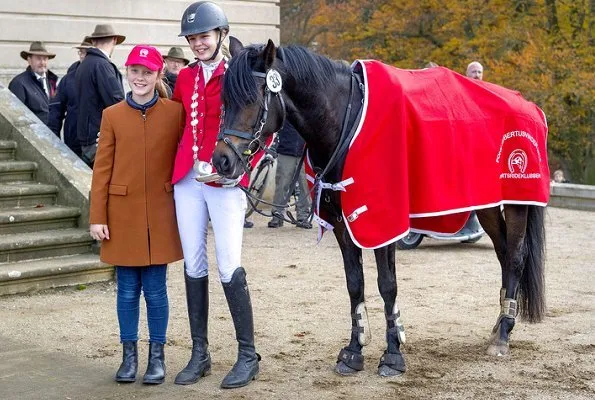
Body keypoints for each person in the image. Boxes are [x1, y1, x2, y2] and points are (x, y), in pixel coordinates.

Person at [172, 1, 260, 389]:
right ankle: (199, 354)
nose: (197, 43)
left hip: (224, 182)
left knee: (228, 264)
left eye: (203, 36)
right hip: (188, 179)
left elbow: (261, 122)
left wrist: (243, 166)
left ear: (220, 35)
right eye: (192, 38)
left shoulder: (237, 73)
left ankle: (247, 354)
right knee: (193, 263)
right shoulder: (185, 78)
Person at [89, 45, 184, 385]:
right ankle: (129, 357)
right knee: (126, 291)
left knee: (156, 290)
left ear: (159, 75)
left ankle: (156, 358)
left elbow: (186, 157)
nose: (140, 78)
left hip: (160, 213)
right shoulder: (112, 115)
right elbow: (102, 170)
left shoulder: (175, 113)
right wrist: (97, 216)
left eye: (147, 72)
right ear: (126, 74)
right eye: (134, 71)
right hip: (121, 214)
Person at [76, 24, 126, 167]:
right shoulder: (101, 65)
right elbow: (116, 102)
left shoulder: (85, 64)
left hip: (88, 136)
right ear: (115, 40)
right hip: (99, 138)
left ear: (93, 41)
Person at [47, 38, 93, 157]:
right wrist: (54, 143)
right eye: (81, 52)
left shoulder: (104, 75)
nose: (83, 56)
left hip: (97, 143)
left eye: (87, 53)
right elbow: (55, 112)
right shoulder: (68, 80)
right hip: (73, 142)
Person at [268, 121, 311, 229]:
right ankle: (277, 215)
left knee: (304, 186)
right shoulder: (286, 108)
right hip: (286, 150)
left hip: (305, 153)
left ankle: (303, 217)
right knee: (282, 185)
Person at [8, 41, 58, 125]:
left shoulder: (51, 80)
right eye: (38, 58)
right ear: (29, 60)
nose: (42, 63)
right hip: (34, 135)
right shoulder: (19, 83)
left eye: (45, 59)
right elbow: (15, 116)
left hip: (52, 134)